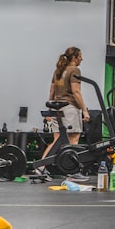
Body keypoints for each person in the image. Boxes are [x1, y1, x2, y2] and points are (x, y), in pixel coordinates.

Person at [39, 47, 91, 179]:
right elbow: (76, 92)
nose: (81, 59)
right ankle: (73, 171)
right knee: (73, 139)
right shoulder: (74, 70)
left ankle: (40, 168)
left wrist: (51, 108)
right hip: (69, 108)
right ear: (74, 58)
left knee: (58, 140)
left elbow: (52, 91)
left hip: (57, 108)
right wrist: (84, 110)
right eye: (80, 56)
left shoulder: (58, 71)